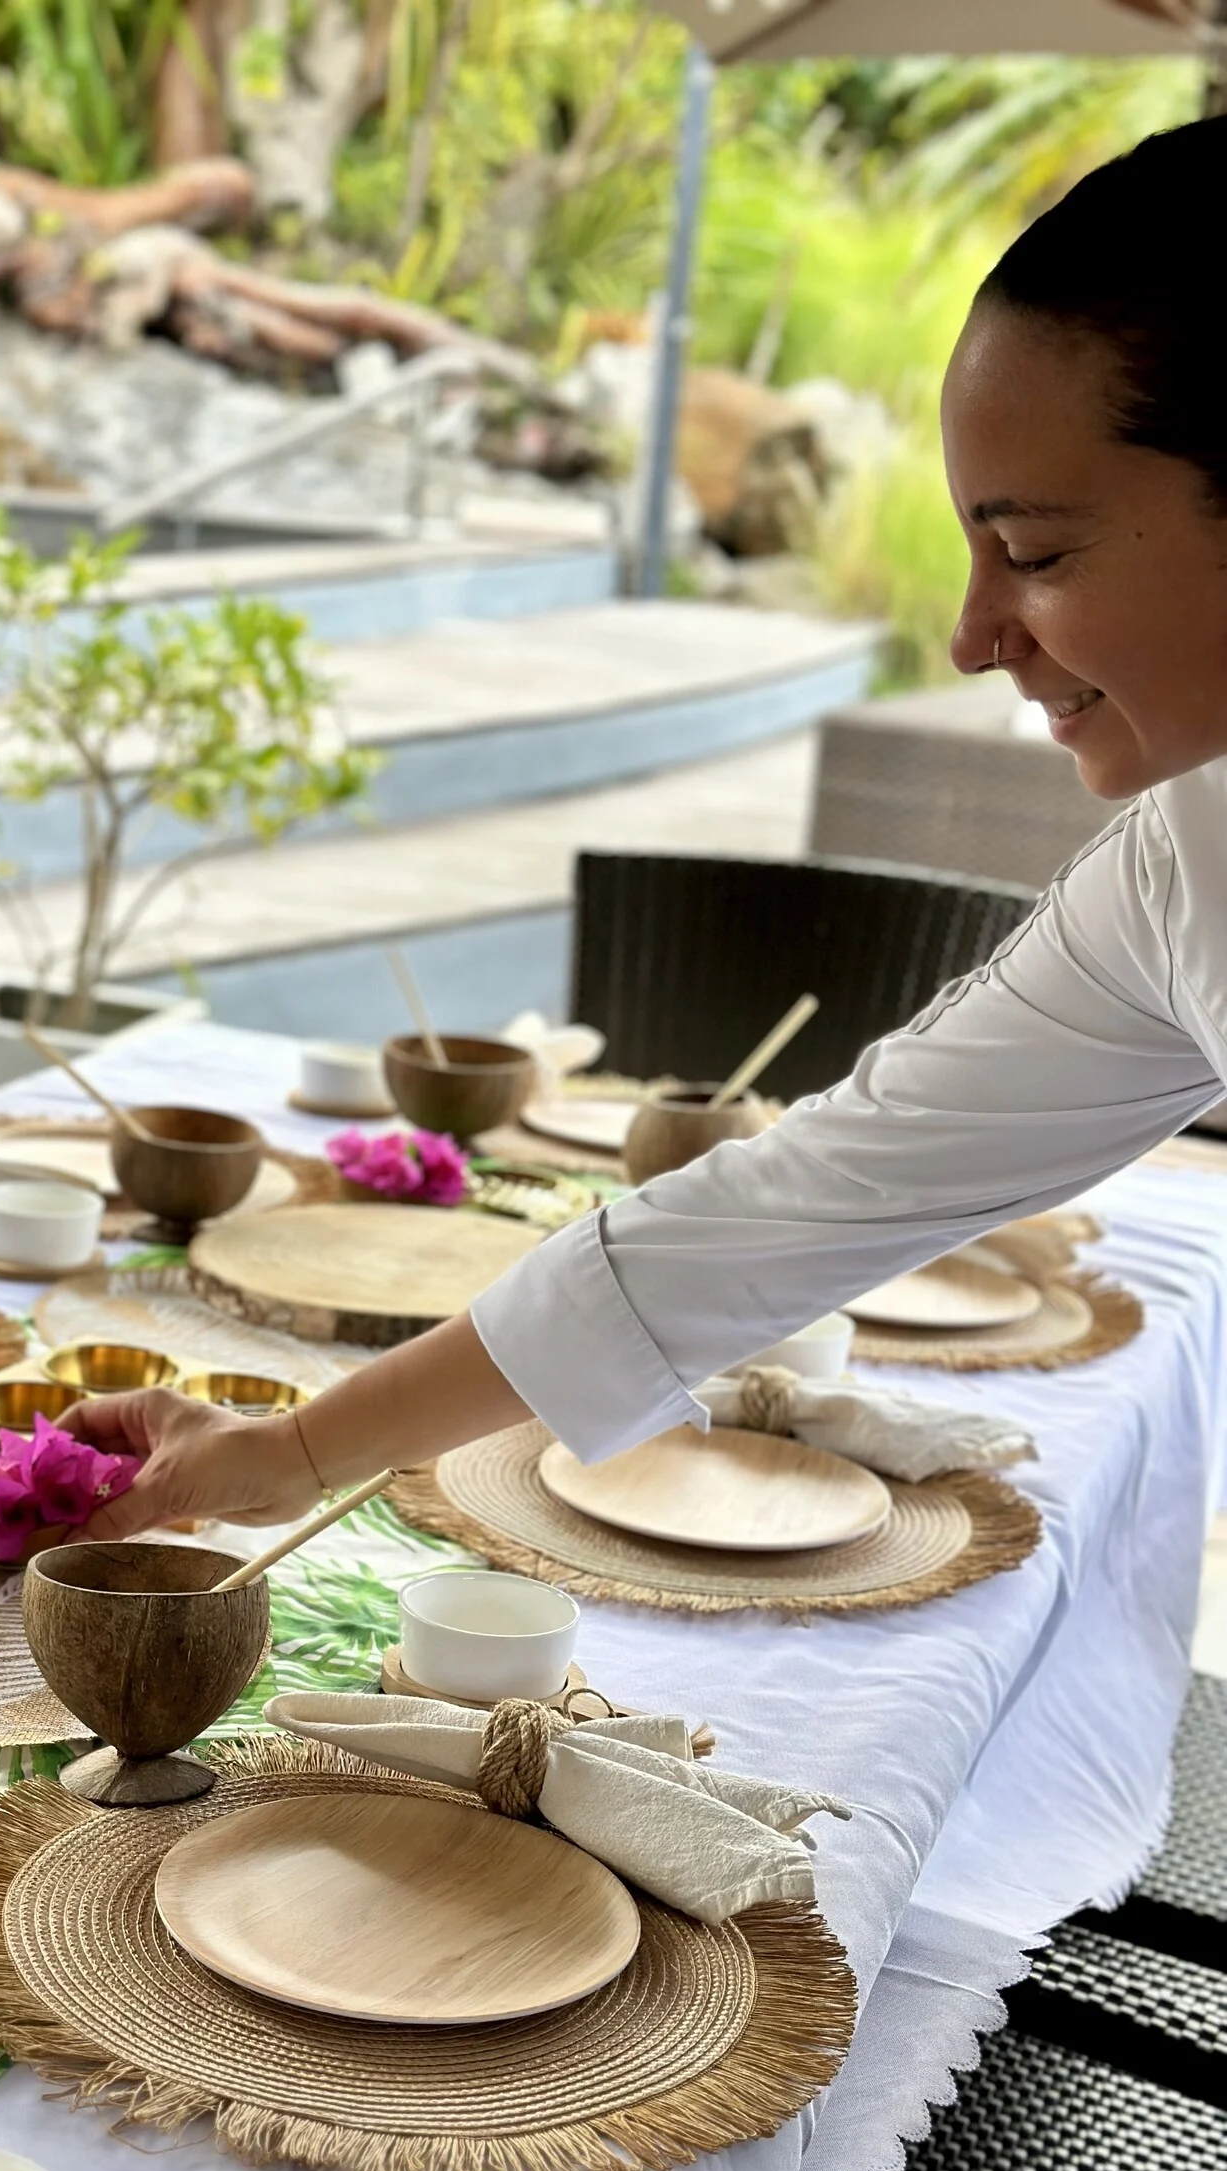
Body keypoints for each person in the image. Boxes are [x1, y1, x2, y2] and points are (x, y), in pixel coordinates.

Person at [62, 116, 1227, 1535]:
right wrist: (289, 1454)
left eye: (1034, 553)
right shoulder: (1188, 865)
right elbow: (798, 1204)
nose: (974, 636)